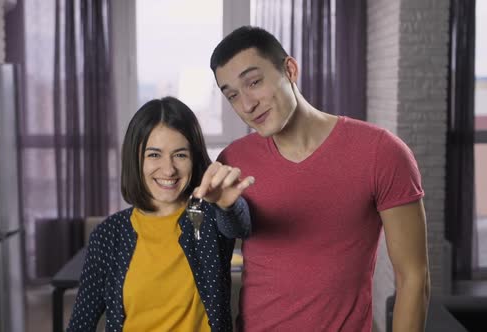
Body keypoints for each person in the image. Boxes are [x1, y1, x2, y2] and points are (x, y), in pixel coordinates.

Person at [197, 26, 430, 331]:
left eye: (254, 82)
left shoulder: (381, 152)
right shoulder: (234, 160)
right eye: (233, 96)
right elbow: (228, 235)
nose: (247, 105)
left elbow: (414, 278)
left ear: (290, 69)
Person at [66, 96, 255, 331]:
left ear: (194, 158)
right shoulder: (108, 234)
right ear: (136, 159)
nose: (168, 169)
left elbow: (240, 226)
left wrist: (227, 204)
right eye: (154, 154)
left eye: (180, 155)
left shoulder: (206, 217)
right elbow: (80, 324)